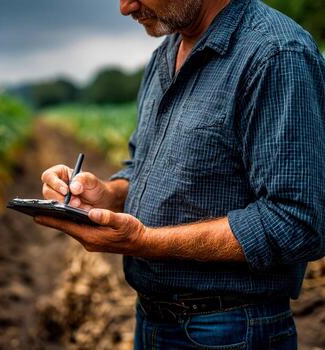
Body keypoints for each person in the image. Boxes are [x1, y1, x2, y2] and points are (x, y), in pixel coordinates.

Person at [35, 0, 325, 348]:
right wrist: (108, 193)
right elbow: (141, 163)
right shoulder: (164, 54)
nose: (125, 7)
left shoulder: (276, 55)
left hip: (231, 330)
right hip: (151, 321)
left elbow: (296, 221)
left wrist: (145, 243)